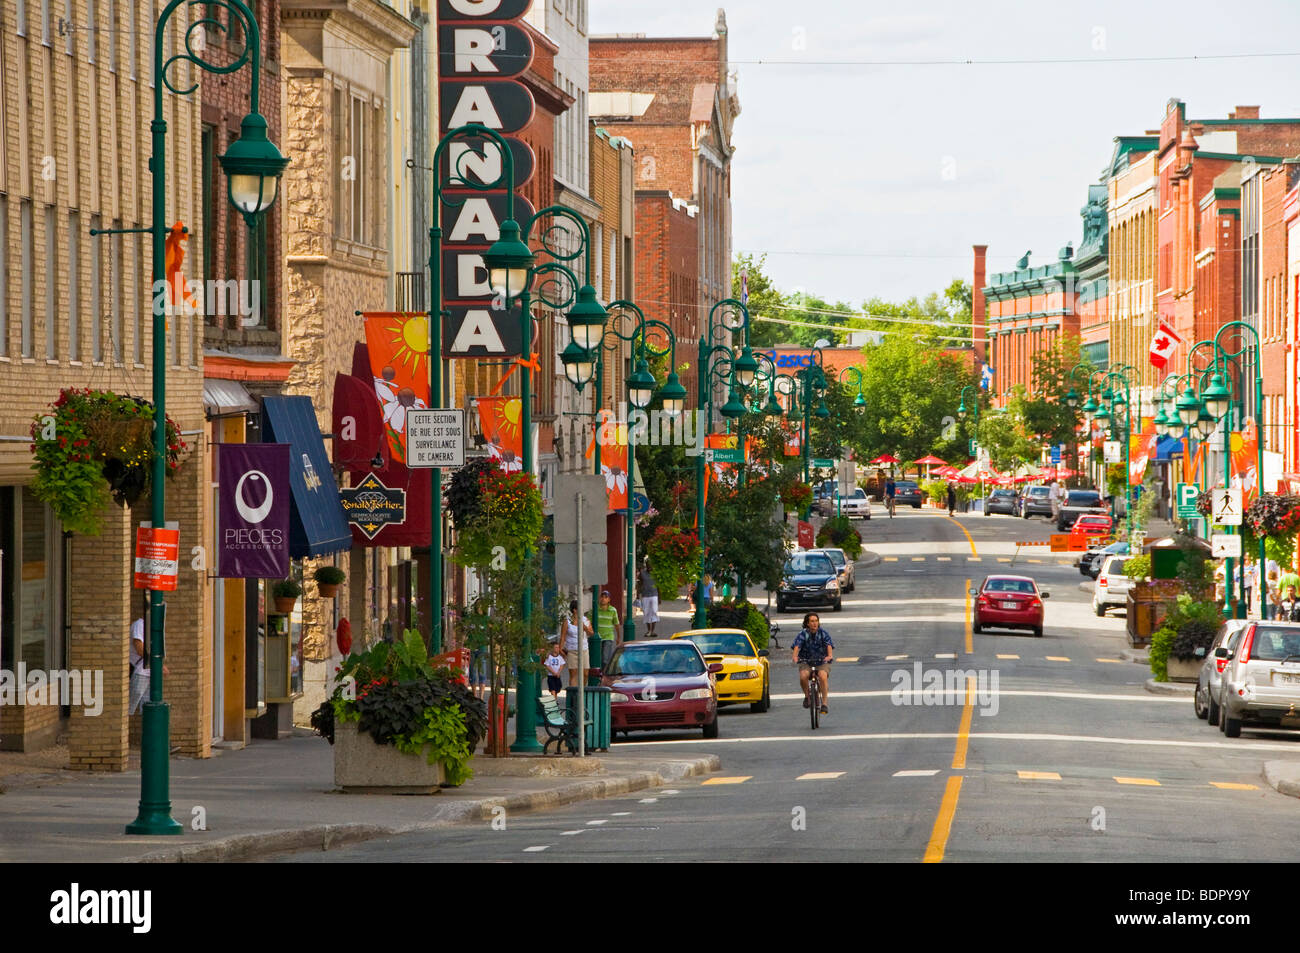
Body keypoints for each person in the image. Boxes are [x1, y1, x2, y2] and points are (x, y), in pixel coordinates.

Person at [791, 612, 834, 714]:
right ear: (807, 623)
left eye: (816, 621)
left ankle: (824, 704)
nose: (814, 623)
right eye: (812, 621)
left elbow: (829, 645)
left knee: (823, 676)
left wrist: (829, 656)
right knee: (803, 676)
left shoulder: (823, 633)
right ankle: (807, 696)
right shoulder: (803, 634)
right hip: (806, 661)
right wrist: (795, 657)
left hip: (821, 660)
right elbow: (797, 646)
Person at [560, 599, 592, 687]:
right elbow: (563, 637)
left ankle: (582, 691)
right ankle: (574, 696)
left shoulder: (585, 620)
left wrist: (585, 628)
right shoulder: (567, 622)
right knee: (573, 674)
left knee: (585, 673)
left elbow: (591, 633)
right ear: (574, 610)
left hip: (584, 649)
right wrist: (560, 649)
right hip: (572, 650)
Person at [587, 590, 620, 668]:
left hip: (608, 637)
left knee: (605, 659)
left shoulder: (613, 610)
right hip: (597, 638)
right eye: (602, 597)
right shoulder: (594, 610)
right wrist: (590, 632)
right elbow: (587, 622)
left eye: (606, 597)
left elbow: (617, 624)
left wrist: (618, 637)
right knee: (596, 658)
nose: (603, 599)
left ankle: (604, 674)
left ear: (609, 600)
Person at [637, 558, 660, 638]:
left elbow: (658, 586)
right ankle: (648, 630)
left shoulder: (656, 573)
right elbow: (639, 584)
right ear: (646, 565)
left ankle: (652, 631)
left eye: (651, 565)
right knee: (646, 612)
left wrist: (659, 597)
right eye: (648, 564)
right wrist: (637, 595)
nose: (650, 566)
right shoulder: (642, 573)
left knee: (654, 611)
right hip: (645, 595)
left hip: (654, 595)